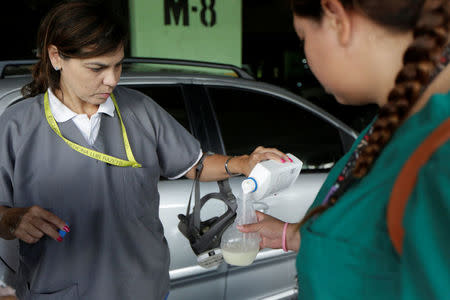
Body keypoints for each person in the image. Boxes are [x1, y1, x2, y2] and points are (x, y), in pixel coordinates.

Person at [0, 1, 290, 299]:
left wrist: (243, 163)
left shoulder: (139, 110)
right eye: (97, 68)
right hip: (60, 292)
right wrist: (12, 220)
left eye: (118, 65)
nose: (112, 80)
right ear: (56, 57)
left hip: (144, 289)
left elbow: (195, 164)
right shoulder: (16, 127)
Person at [239, 0, 449, 299]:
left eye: (303, 37)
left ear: (337, 18)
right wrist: (290, 234)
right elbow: (376, 242)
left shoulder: (440, 152)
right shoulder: (395, 119)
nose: (307, 55)